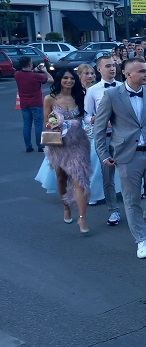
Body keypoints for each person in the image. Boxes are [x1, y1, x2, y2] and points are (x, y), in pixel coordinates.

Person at [94, 58, 146, 259]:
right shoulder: (111, 95)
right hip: (126, 155)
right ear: (127, 74)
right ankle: (141, 240)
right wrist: (103, 154)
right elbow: (99, 129)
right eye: (142, 71)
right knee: (131, 199)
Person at [42, 69, 91, 235]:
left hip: (78, 143)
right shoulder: (50, 99)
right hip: (59, 144)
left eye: (71, 78)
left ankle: (82, 217)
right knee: (61, 176)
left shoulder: (80, 97)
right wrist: (55, 123)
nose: (68, 81)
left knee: (80, 179)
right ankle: (66, 206)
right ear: (59, 80)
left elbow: (88, 115)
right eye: (65, 78)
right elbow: (46, 123)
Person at [83, 55, 122, 224]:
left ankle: (134, 208)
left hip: (124, 137)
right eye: (107, 66)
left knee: (132, 173)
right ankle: (113, 210)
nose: (112, 68)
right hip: (105, 137)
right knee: (108, 175)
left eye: (113, 65)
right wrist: (98, 120)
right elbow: (86, 115)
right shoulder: (93, 91)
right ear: (99, 69)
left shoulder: (123, 87)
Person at [15, 56, 52, 152]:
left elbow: (26, 74)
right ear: (30, 64)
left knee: (27, 125)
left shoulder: (17, 74)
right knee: (38, 125)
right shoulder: (36, 76)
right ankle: (40, 146)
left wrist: (35, 70)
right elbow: (51, 79)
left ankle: (28, 146)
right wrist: (45, 71)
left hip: (24, 103)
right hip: (36, 103)